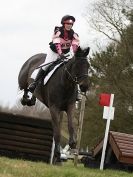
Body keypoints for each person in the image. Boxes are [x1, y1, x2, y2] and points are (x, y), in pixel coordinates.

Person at [28, 15, 80, 93]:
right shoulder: (58, 32)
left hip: (66, 53)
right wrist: (60, 54)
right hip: (54, 52)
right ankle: (34, 83)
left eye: (71, 24)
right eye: (67, 24)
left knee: (73, 67)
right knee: (46, 65)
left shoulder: (74, 34)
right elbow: (57, 44)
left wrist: (74, 53)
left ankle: (77, 91)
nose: (69, 26)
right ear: (63, 24)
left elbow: (75, 45)